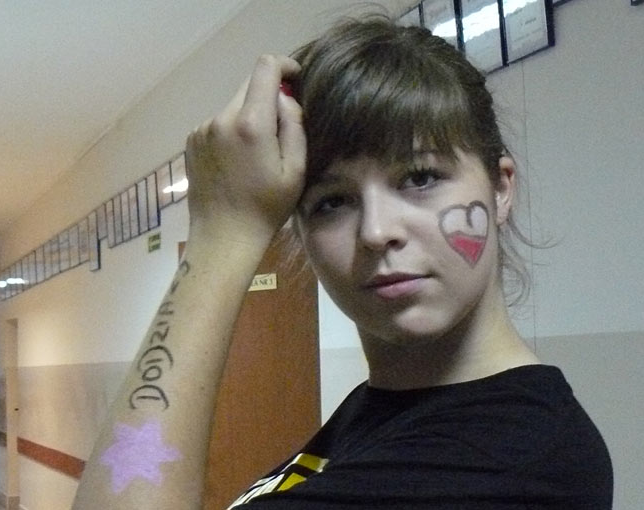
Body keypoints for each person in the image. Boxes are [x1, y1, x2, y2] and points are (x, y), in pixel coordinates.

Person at [73, 15, 613, 510]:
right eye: (332, 202)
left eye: (420, 177)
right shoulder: (386, 409)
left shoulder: (510, 456)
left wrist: (222, 230)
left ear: (500, 188)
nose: (376, 231)